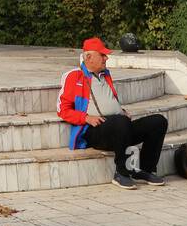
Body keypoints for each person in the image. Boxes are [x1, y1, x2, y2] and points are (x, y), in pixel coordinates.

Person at [57, 37, 168, 188]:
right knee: (120, 122)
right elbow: (62, 110)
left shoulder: (105, 74)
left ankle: (144, 170)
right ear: (88, 57)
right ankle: (121, 173)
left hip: (119, 127)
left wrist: (121, 111)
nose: (106, 58)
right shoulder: (74, 76)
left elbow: (108, 101)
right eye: (102, 55)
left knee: (158, 121)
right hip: (95, 131)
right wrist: (86, 117)